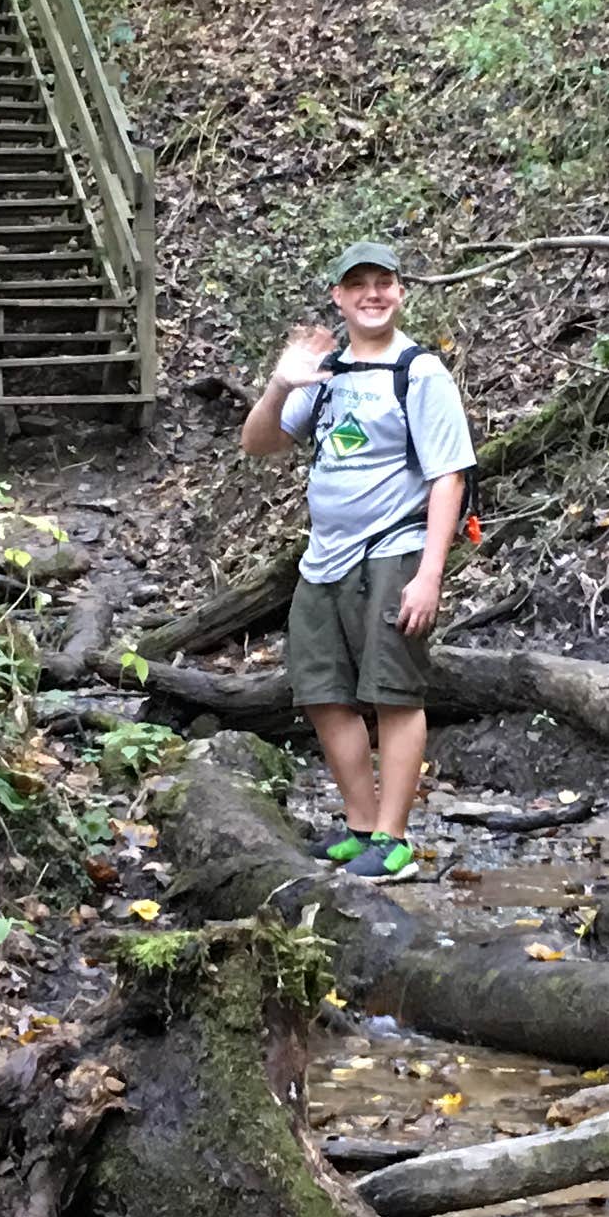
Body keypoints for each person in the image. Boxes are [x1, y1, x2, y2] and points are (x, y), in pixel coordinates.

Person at [238, 238, 477, 881]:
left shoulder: (419, 372)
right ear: (340, 297)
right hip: (324, 559)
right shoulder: (326, 371)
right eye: (358, 284)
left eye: (385, 282)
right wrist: (280, 383)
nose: (373, 293)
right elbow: (257, 443)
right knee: (324, 695)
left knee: (394, 695)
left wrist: (430, 575)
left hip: (393, 552)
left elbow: (448, 478)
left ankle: (395, 841)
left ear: (400, 293)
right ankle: (361, 826)